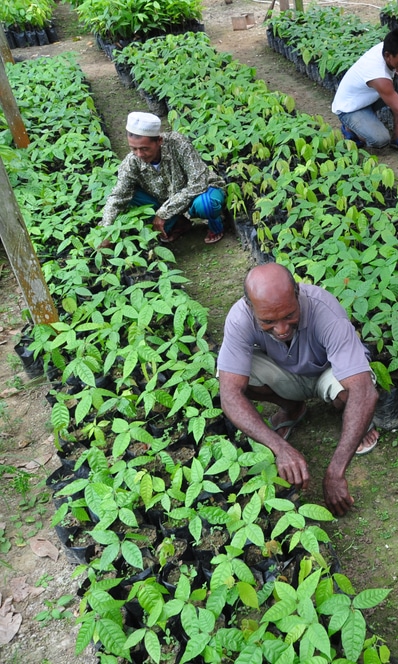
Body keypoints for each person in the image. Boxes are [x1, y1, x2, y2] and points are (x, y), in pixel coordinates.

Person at [217, 263, 380, 516]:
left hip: (328, 371)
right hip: (287, 372)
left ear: (297, 292)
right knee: (234, 377)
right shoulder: (239, 318)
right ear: (250, 306)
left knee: (354, 393)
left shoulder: (324, 310)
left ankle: (360, 424)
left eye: (289, 316)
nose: (281, 329)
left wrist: (335, 472)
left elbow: (364, 391)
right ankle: (292, 407)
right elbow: (229, 395)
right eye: (268, 321)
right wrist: (279, 448)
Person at [100, 111, 228, 245]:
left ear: (159, 141)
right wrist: (105, 230)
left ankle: (215, 225)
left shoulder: (178, 144)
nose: (139, 154)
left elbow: (198, 184)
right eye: (133, 149)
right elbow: (118, 196)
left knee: (206, 205)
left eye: (144, 149)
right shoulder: (131, 163)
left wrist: (163, 213)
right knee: (129, 195)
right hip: (165, 200)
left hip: (199, 193)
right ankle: (179, 223)